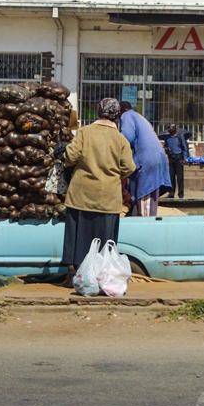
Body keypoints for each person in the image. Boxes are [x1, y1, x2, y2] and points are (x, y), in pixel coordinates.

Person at [61, 98, 136, 275]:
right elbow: (129, 167)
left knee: (76, 236)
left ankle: (73, 273)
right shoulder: (121, 140)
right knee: (104, 239)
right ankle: (100, 275)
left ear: (98, 112)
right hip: (108, 198)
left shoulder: (84, 133)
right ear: (117, 115)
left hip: (81, 195)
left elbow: (70, 157)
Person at [119, 101, 171, 216]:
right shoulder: (140, 117)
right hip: (156, 158)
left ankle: (145, 226)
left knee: (145, 198)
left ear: (120, 110)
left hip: (148, 160)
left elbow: (126, 137)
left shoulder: (126, 115)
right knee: (150, 196)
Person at [159, 124, 189, 199]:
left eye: (170, 128)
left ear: (174, 129)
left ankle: (181, 194)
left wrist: (185, 158)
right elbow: (165, 146)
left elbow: (184, 148)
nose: (169, 129)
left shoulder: (180, 136)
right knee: (171, 177)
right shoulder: (167, 137)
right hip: (171, 159)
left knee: (179, 177)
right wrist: (166, 149)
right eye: (168, 128)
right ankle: (171, 193)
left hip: (178, 159)